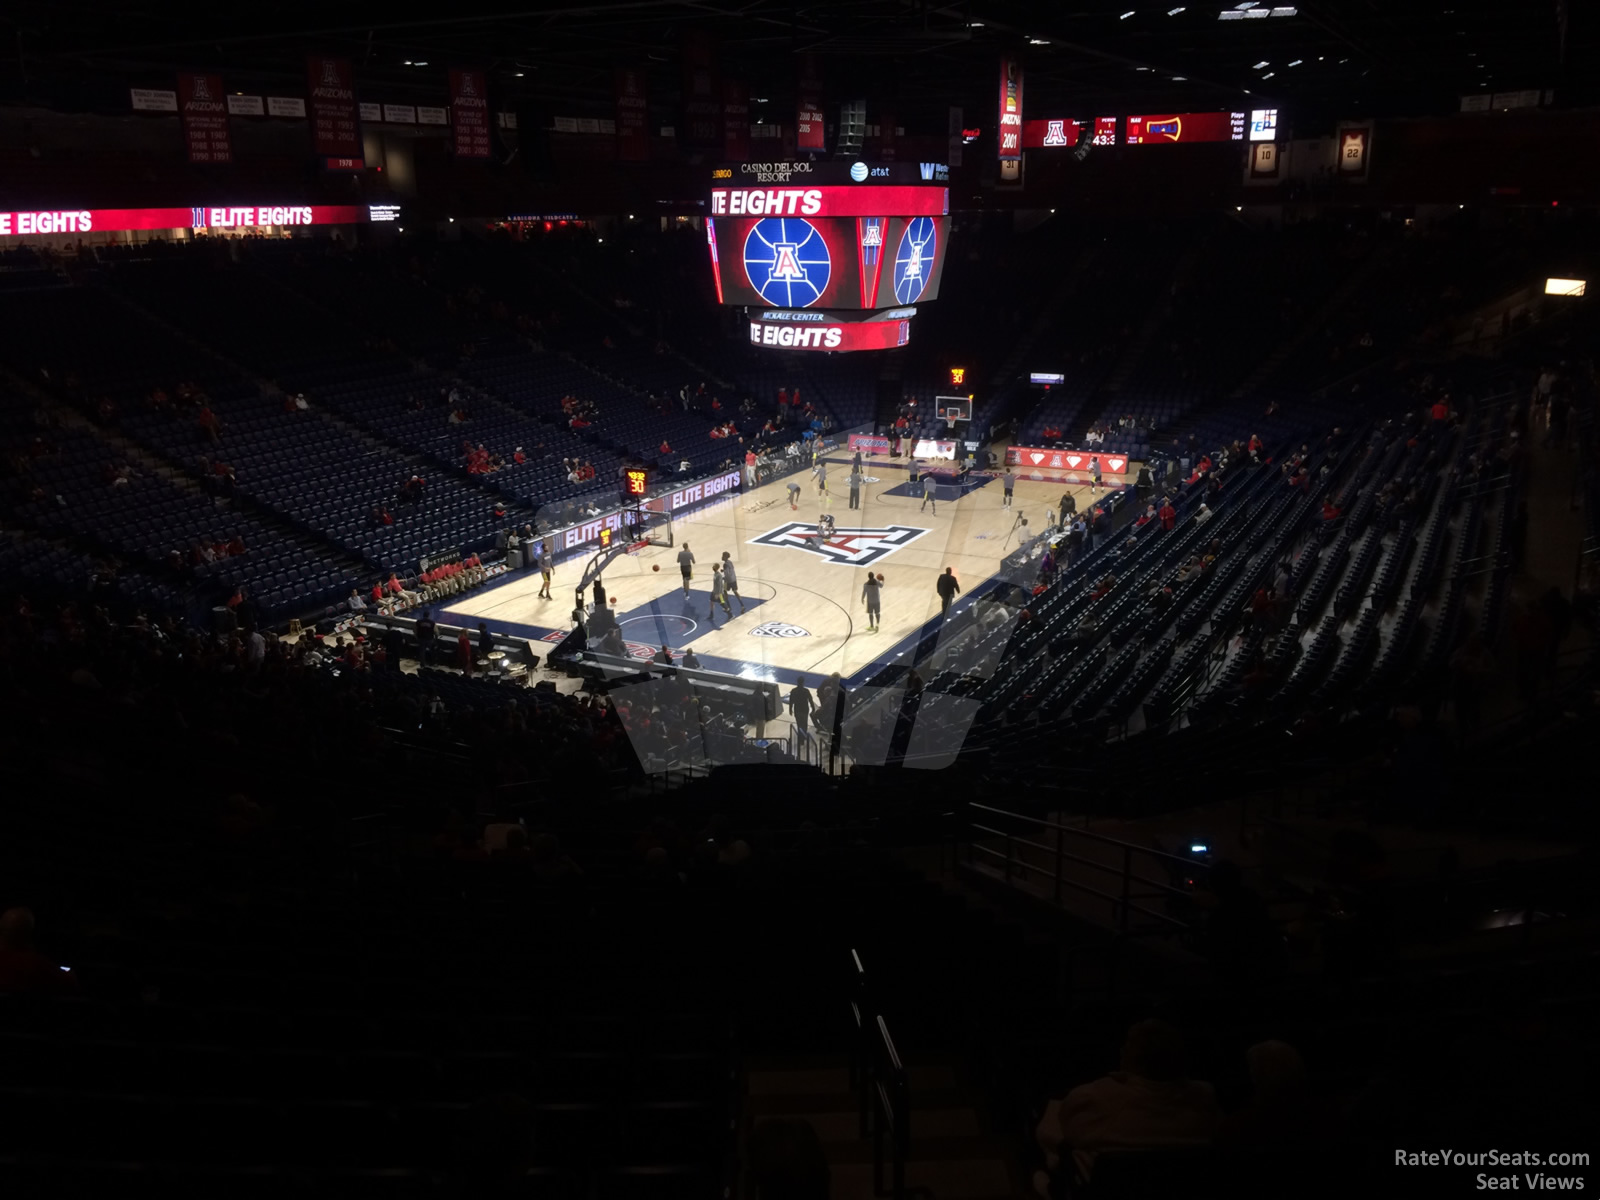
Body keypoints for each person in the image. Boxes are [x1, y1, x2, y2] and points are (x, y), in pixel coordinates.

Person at [1035, 1020, 1221, 1189]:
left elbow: (1074, 1136)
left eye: (1125, 1047)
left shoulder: (1095, 1096)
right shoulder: (1205, 1096)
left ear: (1128, 1056)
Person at [789, 676, 816, 742]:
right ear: (803, 683)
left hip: (797, 710)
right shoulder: (806, 691)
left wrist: (790, 709)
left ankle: (800, 738)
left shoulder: (793, 691)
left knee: (799, 724)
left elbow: (791, 701)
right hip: (804, 710)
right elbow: (810, 700)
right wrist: (813, 708)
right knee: (804, 723)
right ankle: (803, 737)